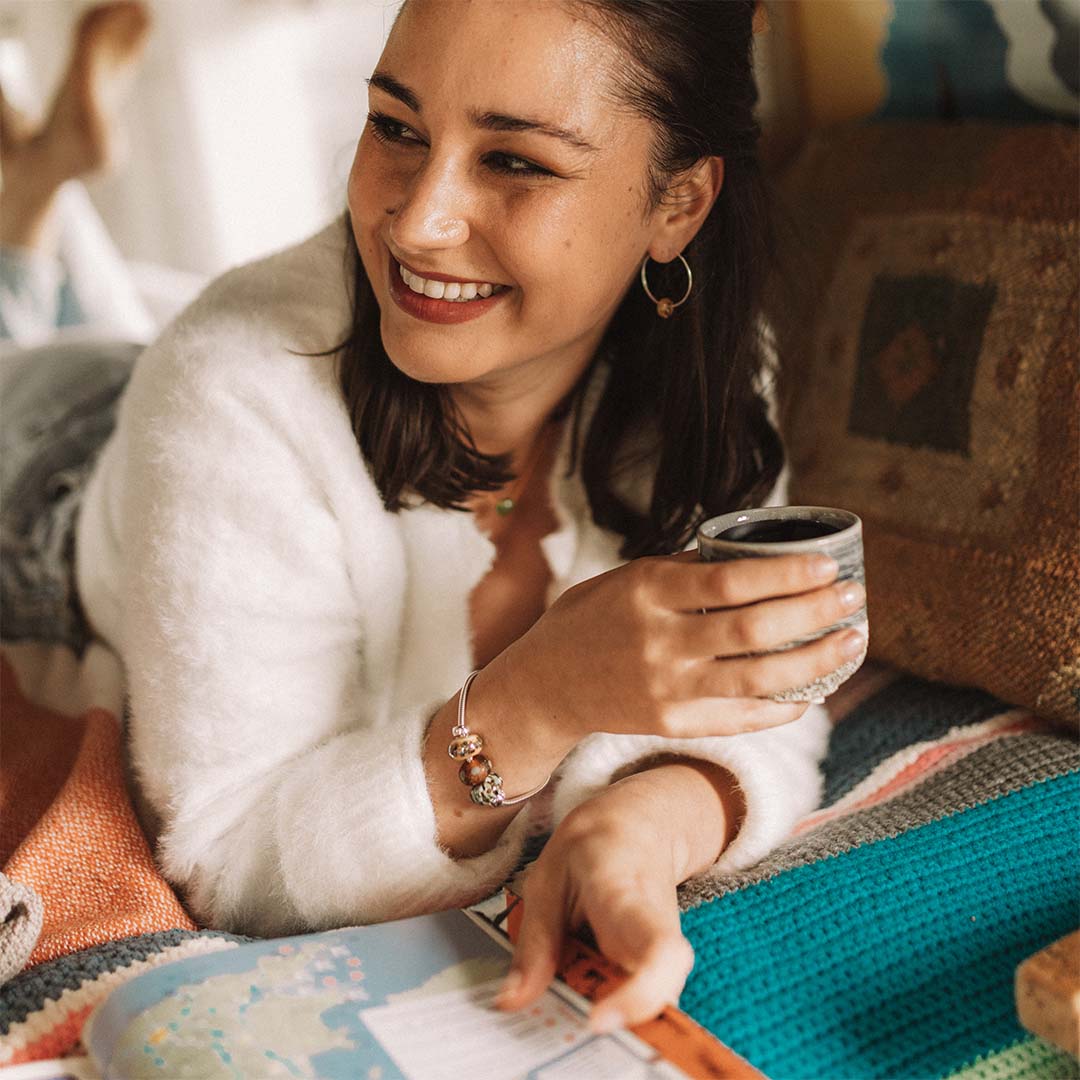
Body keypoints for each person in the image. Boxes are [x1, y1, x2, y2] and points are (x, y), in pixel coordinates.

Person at [8, 0, 867, 1033]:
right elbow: (231, 854)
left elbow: (767, 697)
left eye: (516, 162)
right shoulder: (229, 384)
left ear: (677, 206)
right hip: (48, 477)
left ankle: (35, 192)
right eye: (398, 128)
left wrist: (643, 825)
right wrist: (541, 695)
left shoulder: (709, 377)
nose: (414, 222)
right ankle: (32, 195)